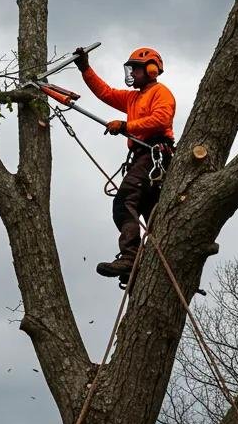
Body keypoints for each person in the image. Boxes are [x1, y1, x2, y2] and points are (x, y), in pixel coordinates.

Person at [72, 46, 175, 280]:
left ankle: (130, 257)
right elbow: (106, 93)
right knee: (149, 209)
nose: (132, 74)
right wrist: (85, 68)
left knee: (124, 202)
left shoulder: (160, 92)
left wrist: (127, 126)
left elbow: (162, 119)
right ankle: (150, 261)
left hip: (154, 153)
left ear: (150, 70)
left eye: (136, 69)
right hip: (143, 156)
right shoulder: (133, 98)